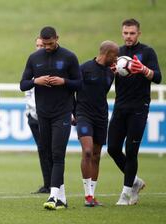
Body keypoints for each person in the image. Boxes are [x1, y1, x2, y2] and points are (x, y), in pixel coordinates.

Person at [20, 26, 81, 210]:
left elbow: (79, 83)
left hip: (62, 113)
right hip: (43, 114)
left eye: (50, 43)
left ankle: (53, 196)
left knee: (57, 153)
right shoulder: (34, 58)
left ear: (57, 38)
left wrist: (64, 82)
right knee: (48, 154)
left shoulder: (69, 57)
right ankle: (62, 198)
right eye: (44, 43)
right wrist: (35, 81)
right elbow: (23, 84)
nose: (46, 47)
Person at [107, 18, 162, 205]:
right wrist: (111, 71)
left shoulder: (147, 52)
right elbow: (106, 76)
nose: (128, 36)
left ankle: (125, 193)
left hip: (139, 108)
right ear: (121, 33)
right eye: (125, 33)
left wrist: (144, 70)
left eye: (132, 33)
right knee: (113, 148)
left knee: (131, 151)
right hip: (120, 106)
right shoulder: (117, 53)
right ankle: (136, 182)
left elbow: (158, 77)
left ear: (138, 33)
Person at [76, 40, 119, 207]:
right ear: (107, 53)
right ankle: (87, 195)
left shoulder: (110, 73)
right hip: (83, 115)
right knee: (87, 151)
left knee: (96, 156)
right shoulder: (84, 68)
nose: (116, 60)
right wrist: (74, 112)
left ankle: (92, 196)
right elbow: (72, 90)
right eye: (115, 56)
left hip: (101, 117)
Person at [26, 37, 50, 194]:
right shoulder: (33, 62)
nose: (39, 48)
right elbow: (26, 86)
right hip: (33, 116)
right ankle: (47, 184)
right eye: (37, 45)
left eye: (42, 45)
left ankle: (55, 184)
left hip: (48, 114)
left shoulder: (52, 64)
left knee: (51, 150)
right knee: (42, 149)